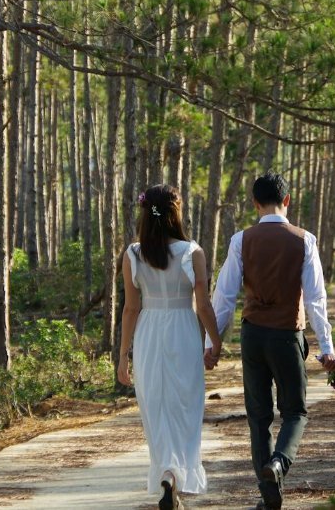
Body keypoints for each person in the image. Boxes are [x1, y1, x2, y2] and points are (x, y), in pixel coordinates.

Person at [204, 172, 335, 510]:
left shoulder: (241, 239)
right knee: (295, 411)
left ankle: (268, 498)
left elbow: (224, 296)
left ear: (255, 204)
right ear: (287, 200)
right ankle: (278, 464)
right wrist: (326, 348)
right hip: (286, 336)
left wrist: (212, 342)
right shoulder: (303, 239)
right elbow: (315, 299)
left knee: (259, 417)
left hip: (252, 337)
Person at [117, 184, 222, 510]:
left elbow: (130, 308)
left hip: (149, 332)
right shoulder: (192, 252)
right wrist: (215, 341)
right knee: (186, 407)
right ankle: (176, 476)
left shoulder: (132, 254)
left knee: (156, 407)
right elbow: (203, 305)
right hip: (182, 330)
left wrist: (123, 356)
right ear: (175, 213)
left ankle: (165, 472)